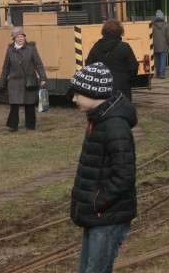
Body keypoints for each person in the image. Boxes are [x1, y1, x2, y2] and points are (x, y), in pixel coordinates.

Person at [69, 62, 137, 273]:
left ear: (93, 92)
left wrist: (97, 201)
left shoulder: (114, 126)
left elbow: (125, 175)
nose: (74, 99)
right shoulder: (98, 119)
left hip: (107, 216)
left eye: (78, 94)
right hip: (98, 215)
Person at [0, 26, 48, 132]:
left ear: (24, 37)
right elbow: (6, 68)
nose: (20, 38)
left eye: (22, 36)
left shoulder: (31, 48)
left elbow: (38, 64)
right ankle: (13, 126)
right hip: (14, 81)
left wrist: (43, 78)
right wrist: (1, 82)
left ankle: (30, 126)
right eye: (18, 37)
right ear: (14, 39)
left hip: (29, 81)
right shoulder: (10, 50)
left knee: (29, 104)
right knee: (14, 105)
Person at [86, 19, 139, 102]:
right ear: (120, 31)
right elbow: (133, 68)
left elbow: (88, 67)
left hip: (101, 90)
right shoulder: (124, 47)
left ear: (103, 31)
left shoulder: (96, 47)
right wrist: (126, 80)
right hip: (122, 89)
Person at [151, 10, 169, 79]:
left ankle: (157, 73)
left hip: (155, 46)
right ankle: (162, 74)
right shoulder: (166, 25)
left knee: (157, 60)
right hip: (164, 45)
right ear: (163, 17)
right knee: (163, 60)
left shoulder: (152, 26)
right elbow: (168, 36)